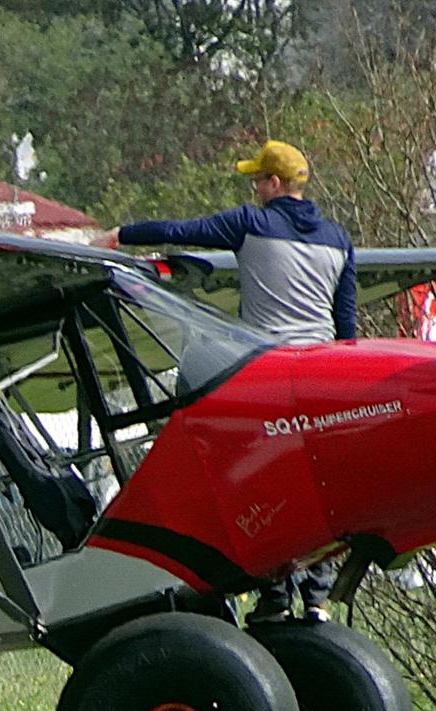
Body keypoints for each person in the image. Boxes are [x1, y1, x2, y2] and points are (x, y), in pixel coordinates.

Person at [96, 138, 353, 622]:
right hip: (320, 375)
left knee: (261, 487)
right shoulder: (339, 239)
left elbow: (183, 231)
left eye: (258, 180)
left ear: (274, 184)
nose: (254, 187)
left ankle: (274, 597)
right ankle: (316, 599)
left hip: (267, 374)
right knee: (318, 488)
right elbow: (347, 326)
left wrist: (120, 235)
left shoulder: (251, 223)